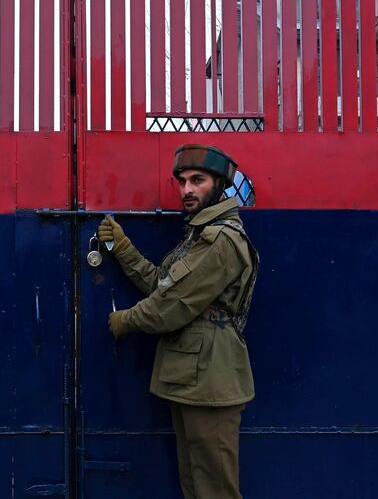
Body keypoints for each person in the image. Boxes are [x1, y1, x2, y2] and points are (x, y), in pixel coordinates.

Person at [98, 144, 259, 499]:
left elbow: (171, 305)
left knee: (214, 489)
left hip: (210, 380)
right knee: (195, 485)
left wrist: (126, 320)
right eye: (182, 181)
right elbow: (163, 285)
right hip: (194, 378)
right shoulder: (198, 235)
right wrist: (124, 250)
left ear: (220, 185)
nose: (186, 190)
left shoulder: (220, 239)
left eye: (197, 180)